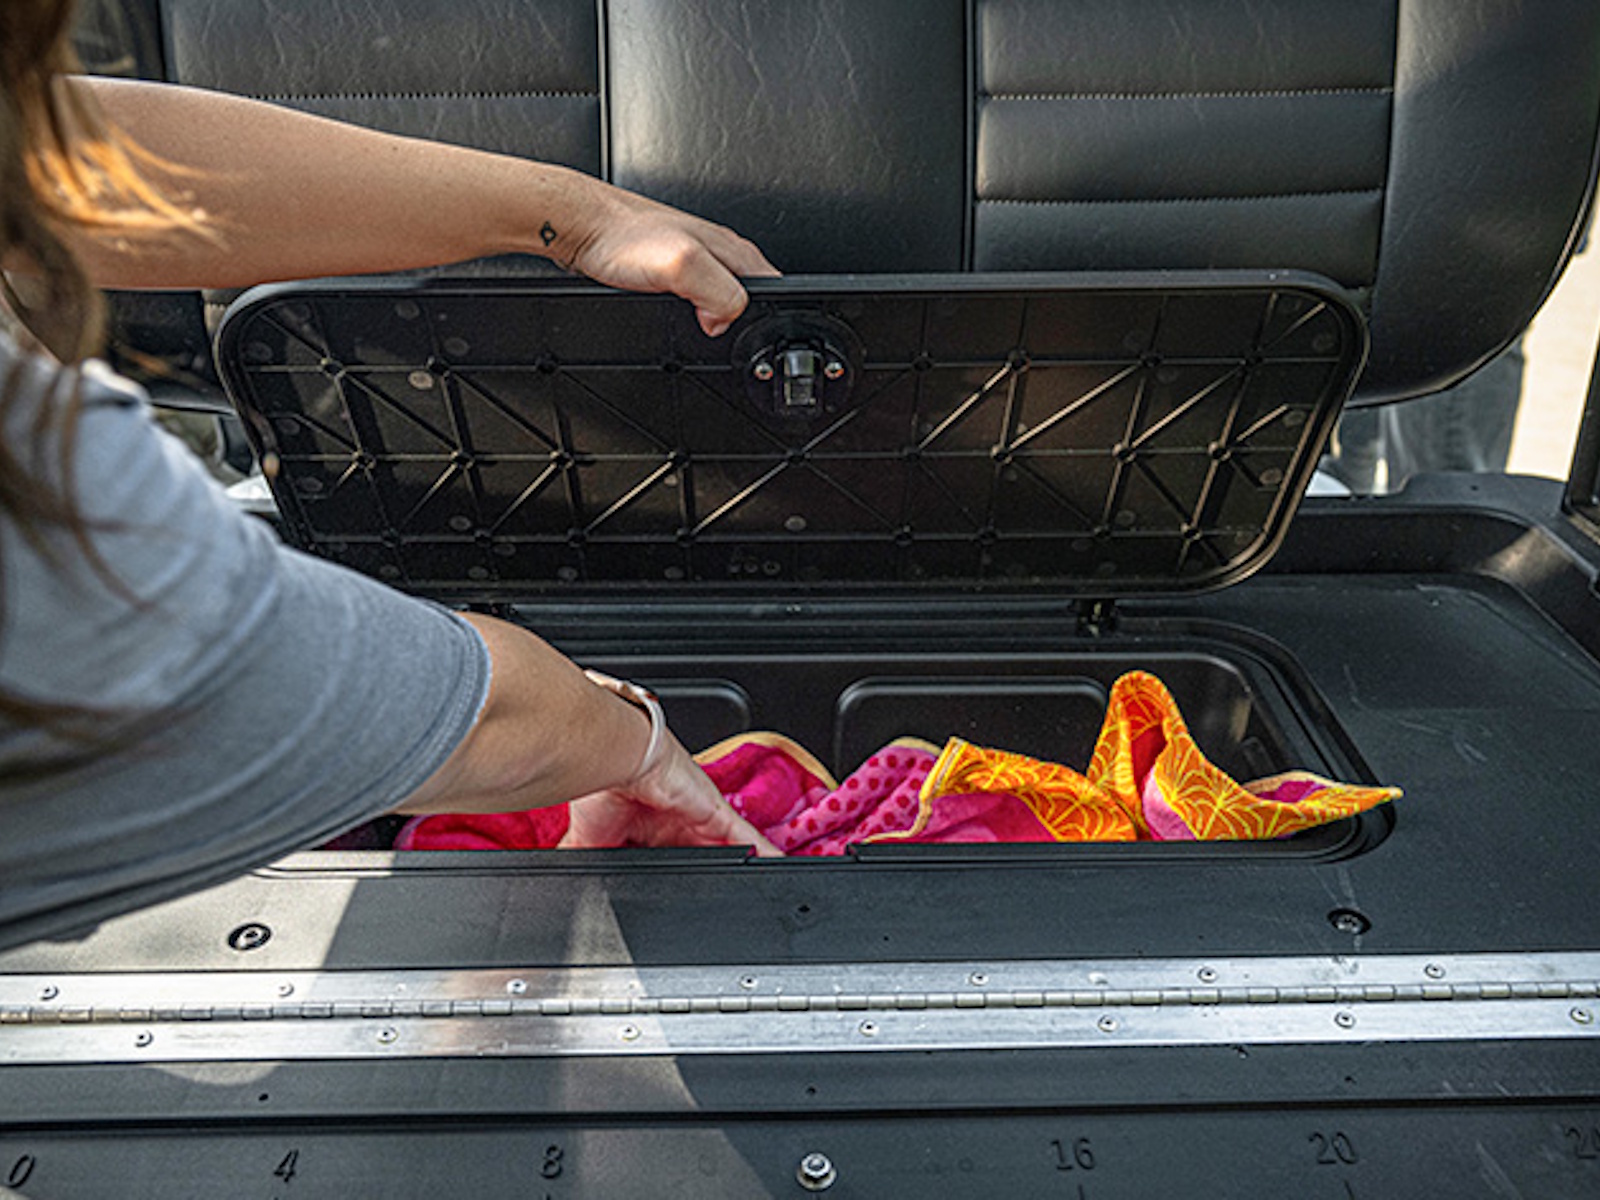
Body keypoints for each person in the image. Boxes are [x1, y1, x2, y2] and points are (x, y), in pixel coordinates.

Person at [0, 0, 782, 952]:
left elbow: (45, 150)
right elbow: (473, 720)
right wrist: (636, 743)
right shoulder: (50, 518)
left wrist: (580, 219)